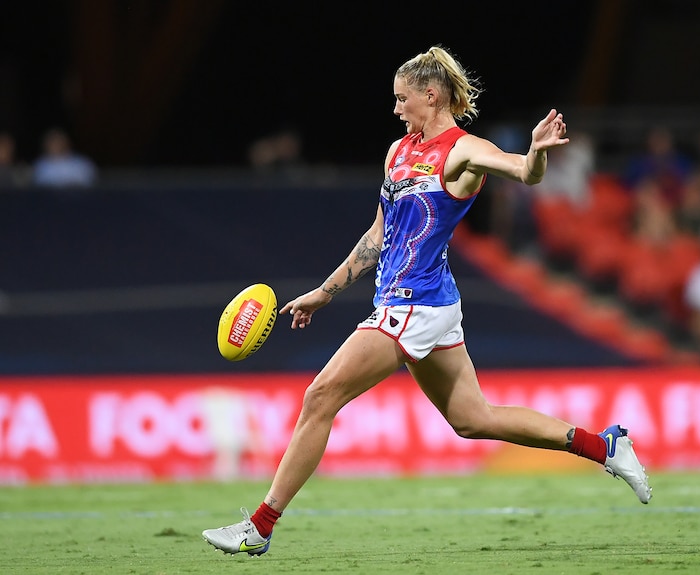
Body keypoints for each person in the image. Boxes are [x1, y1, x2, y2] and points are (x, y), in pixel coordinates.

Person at [202, 45, 652, 557]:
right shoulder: (397, 152)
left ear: (430, 95)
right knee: (473, 419)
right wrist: (324, 294)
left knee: (319, 397)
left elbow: (524, 172)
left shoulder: (462, 150)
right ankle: (606, 446)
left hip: (415, 306)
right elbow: (377, 236)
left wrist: (538, 153)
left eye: (402, 99)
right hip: (424, 304)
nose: (396, 109)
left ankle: (259, 527)